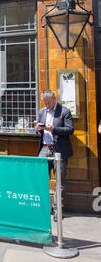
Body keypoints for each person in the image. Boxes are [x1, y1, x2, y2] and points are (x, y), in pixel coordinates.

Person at [35, 89, 74, 222]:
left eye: (48, 103)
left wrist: (53, 129)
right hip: (44, 149)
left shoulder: (64, 111)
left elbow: (70, 130)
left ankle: (58, 210)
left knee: (59, 183)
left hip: (59, 151)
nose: (46, 106)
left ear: (54, 99)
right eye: (44, 103)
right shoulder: (41, 112)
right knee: (40, 180)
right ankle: (43, 209)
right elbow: (39, 132)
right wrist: (37, 129)